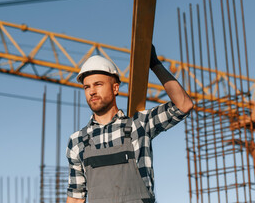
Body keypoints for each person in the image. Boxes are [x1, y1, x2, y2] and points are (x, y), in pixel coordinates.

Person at [66, 46, 194, 203]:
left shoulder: (139, 125)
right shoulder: (77, 141)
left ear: (115, 88)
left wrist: (155, 64)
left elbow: (183, 105)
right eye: (87, 87)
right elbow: (76, 198)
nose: (91, 91)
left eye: (98, 84)